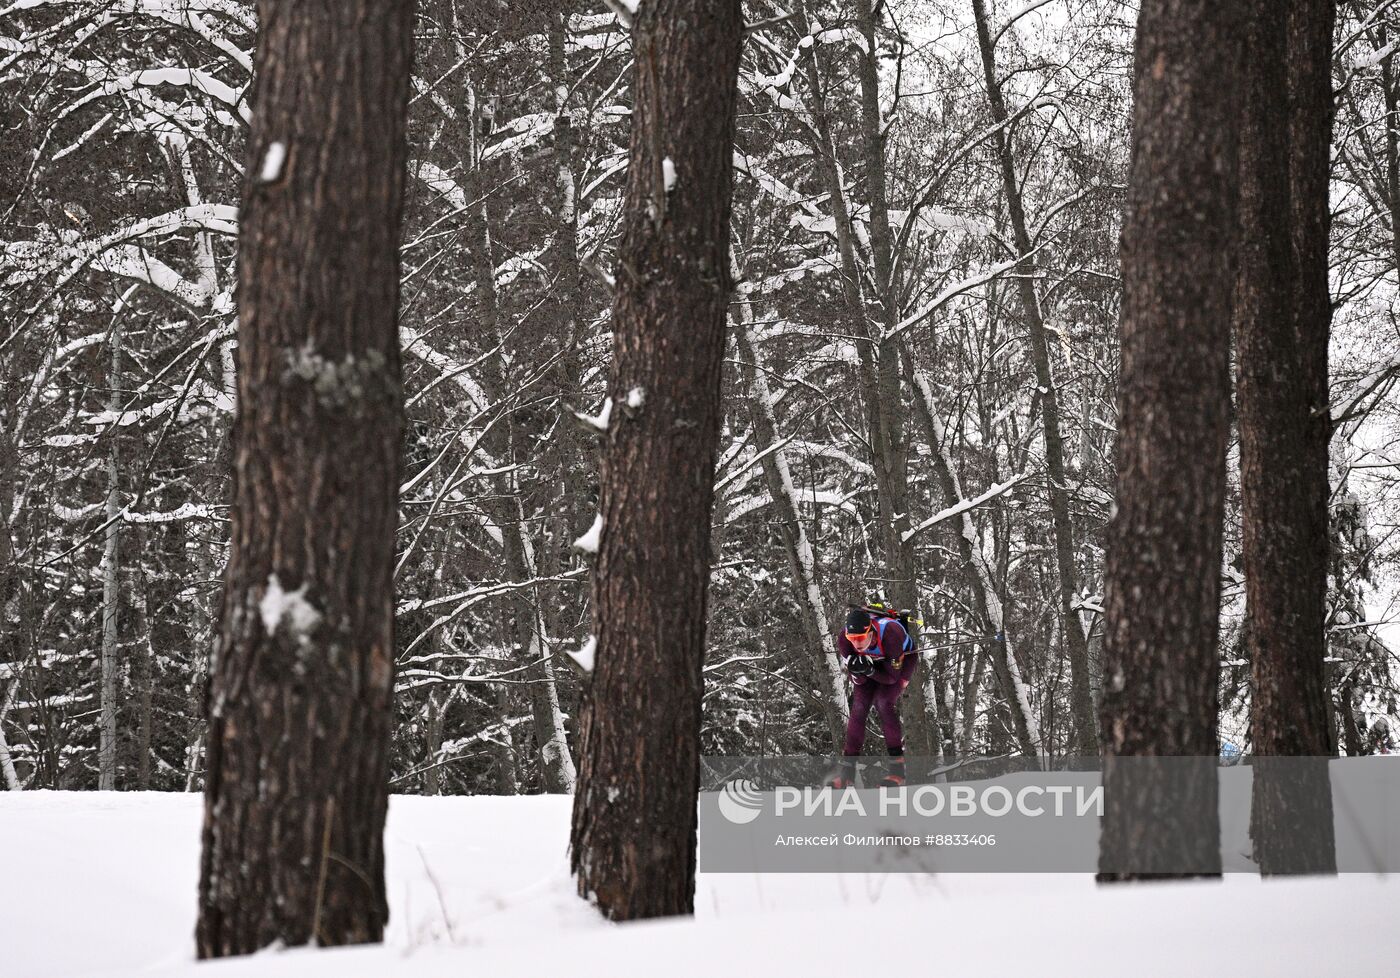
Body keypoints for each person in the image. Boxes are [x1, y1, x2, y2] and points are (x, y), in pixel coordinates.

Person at [830, 606, 916, 788]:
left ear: (870, 631)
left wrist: (869, 670)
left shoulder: (890, 634)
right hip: (873, 666)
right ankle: (847, 774)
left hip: (900, 662)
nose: (857, 644)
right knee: (859, 706)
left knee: (883, 702)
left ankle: (897, 772)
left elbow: (891, 678)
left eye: (861, 638)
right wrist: (858, 672)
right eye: (853, 638)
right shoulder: (844, 641)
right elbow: (859, 683)